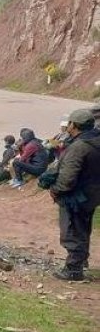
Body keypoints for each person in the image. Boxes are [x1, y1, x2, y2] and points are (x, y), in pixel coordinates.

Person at [49, 109, 100, 281]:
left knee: (72, 231)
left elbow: (67, 178)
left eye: (69, 123)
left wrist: (55, 189)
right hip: (92, 194)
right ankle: (81, 261)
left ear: (74, 125)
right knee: (83, 228)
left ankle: (73, 269)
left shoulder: (79, 147)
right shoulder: (95, 142)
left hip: (75, 197)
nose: (67, 126)